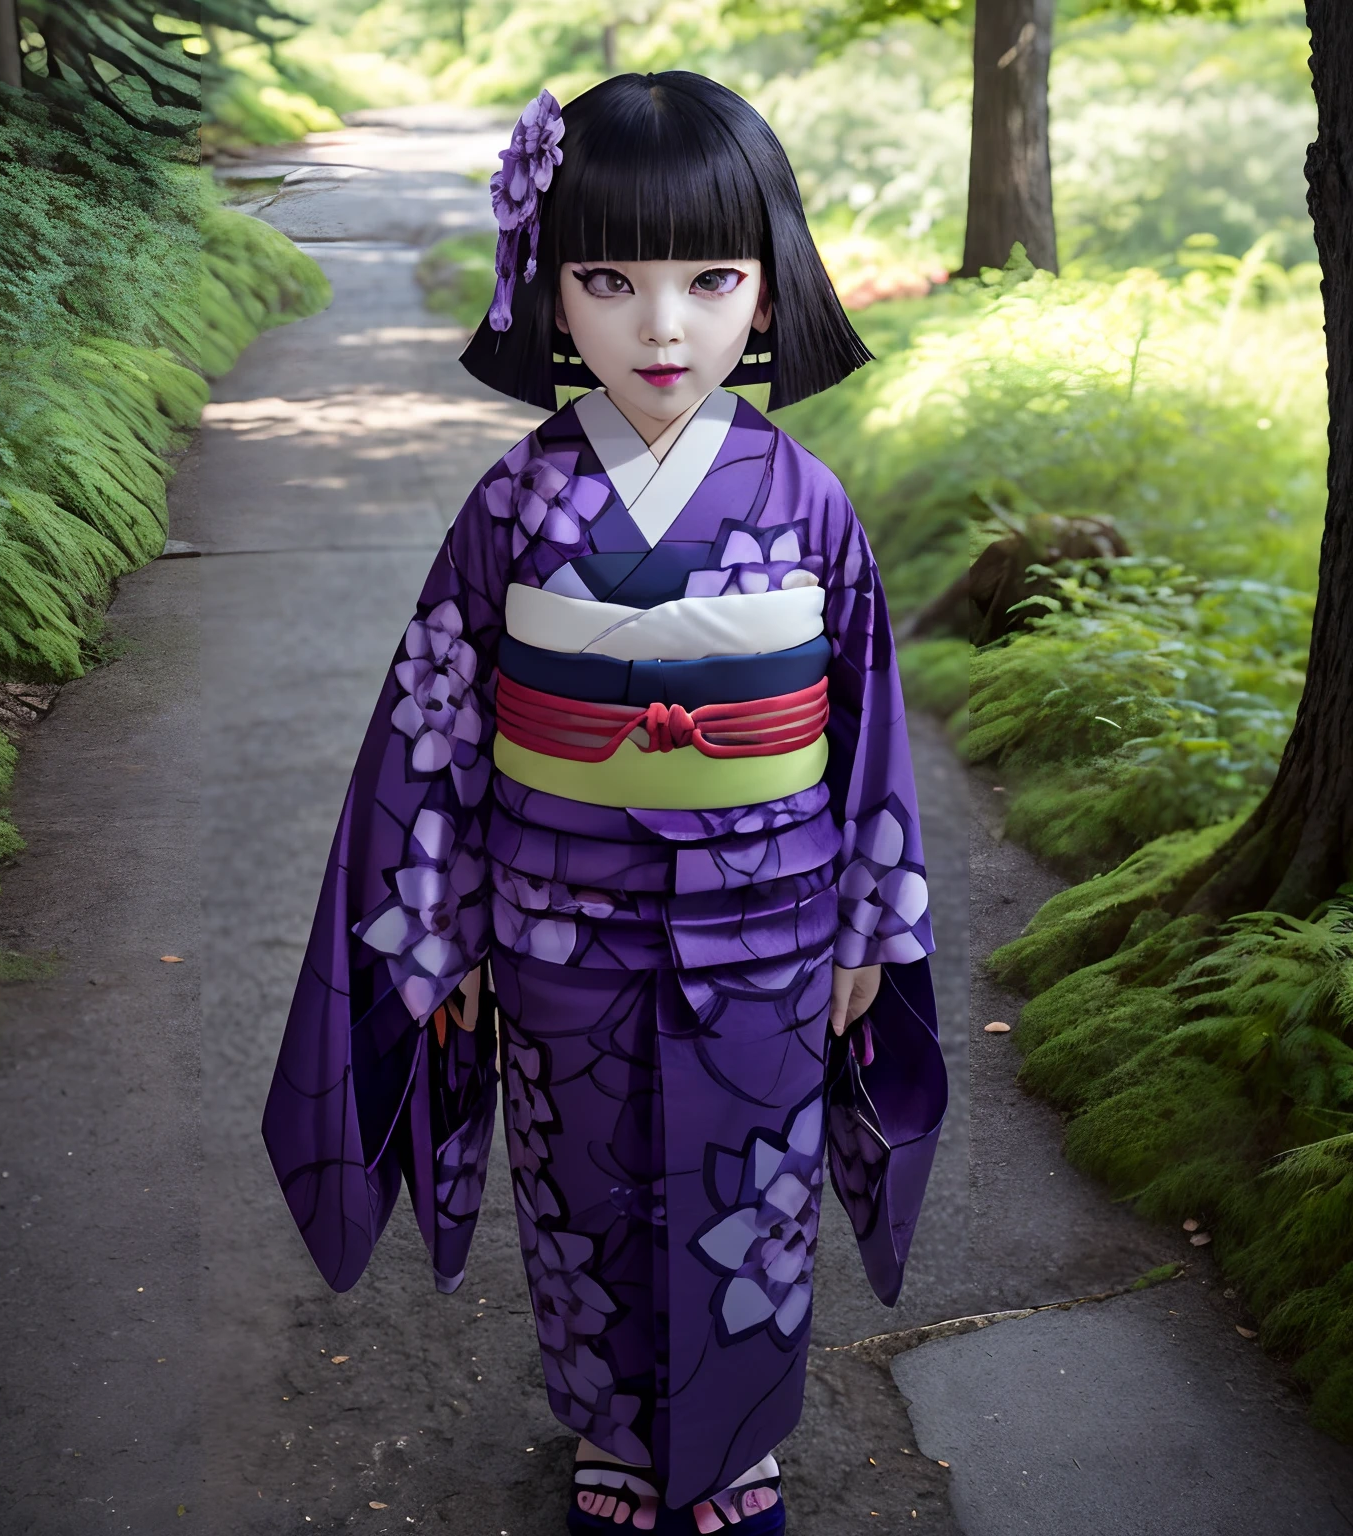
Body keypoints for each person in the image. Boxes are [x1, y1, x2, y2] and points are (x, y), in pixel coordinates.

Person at [262, 72, 948, 1536]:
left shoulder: (808, 502)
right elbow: (439, 725)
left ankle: (739, 1441)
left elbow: (868, 725)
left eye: (710, 279)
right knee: (581, 1189)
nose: (661, 327)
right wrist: (438, 936)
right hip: (556, 926)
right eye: (608, 280)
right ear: (545, 294)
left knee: (750, 1189)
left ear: (769, 291)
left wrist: (867, 928)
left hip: (768, 925)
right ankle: (620, 1441)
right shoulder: (514, 503)